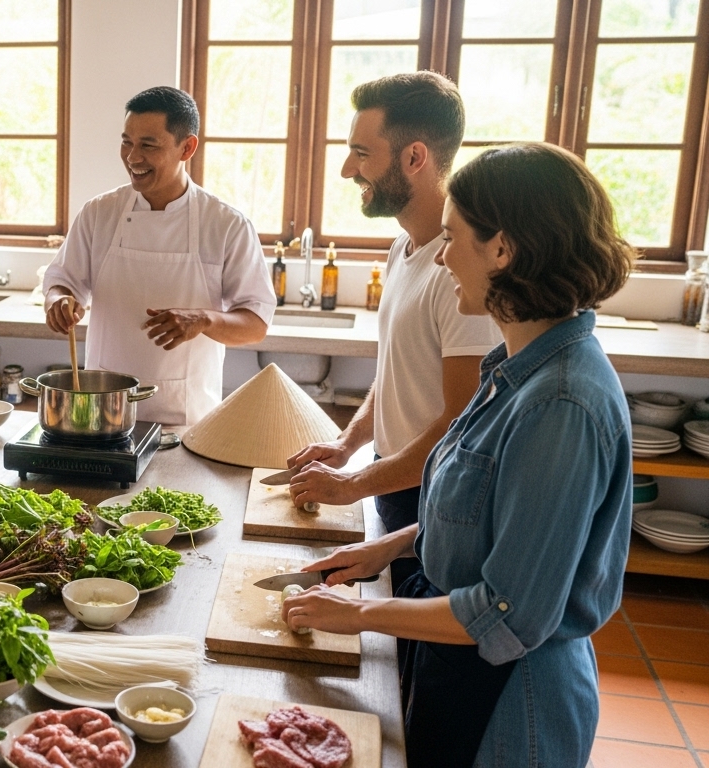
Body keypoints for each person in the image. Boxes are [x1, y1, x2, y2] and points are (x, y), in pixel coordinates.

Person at [282, 143, 635, 768]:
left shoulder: (561, 402)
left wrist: (362, 613)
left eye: (453, 237)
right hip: (464, 664)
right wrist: (387, 548)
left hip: (512, 695)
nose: (442, 257)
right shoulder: (516, 368)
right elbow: (484, 512)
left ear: (504, 249)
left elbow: (510, 612)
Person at [286, 73, 500, 590]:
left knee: (415, 652)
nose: (345, 169)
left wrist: (352, 484)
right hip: (396, 476)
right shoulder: (403, 249)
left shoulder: (462, 273)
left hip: (433, 491)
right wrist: (347, 443)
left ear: (415, 158)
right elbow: (397, 373)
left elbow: (458, 425)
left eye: (361, 153)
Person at [42, 86, 275, 426]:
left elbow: (255, 324)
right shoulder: (99, 213)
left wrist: (204, 320)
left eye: (148, 145)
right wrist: (58, 302)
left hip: (186, 419)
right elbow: (62, 282)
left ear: (187, 147)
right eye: (127, 142)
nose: (133, 157)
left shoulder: (226, 225)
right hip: (104, 415)